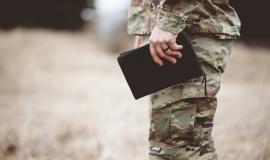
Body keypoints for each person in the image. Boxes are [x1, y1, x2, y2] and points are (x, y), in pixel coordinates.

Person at [127, 0, 241, 159]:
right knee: (167, 146)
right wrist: (144, 23)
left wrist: (169, 20)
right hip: (171, 31)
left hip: (189, 30)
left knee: (181, 147)